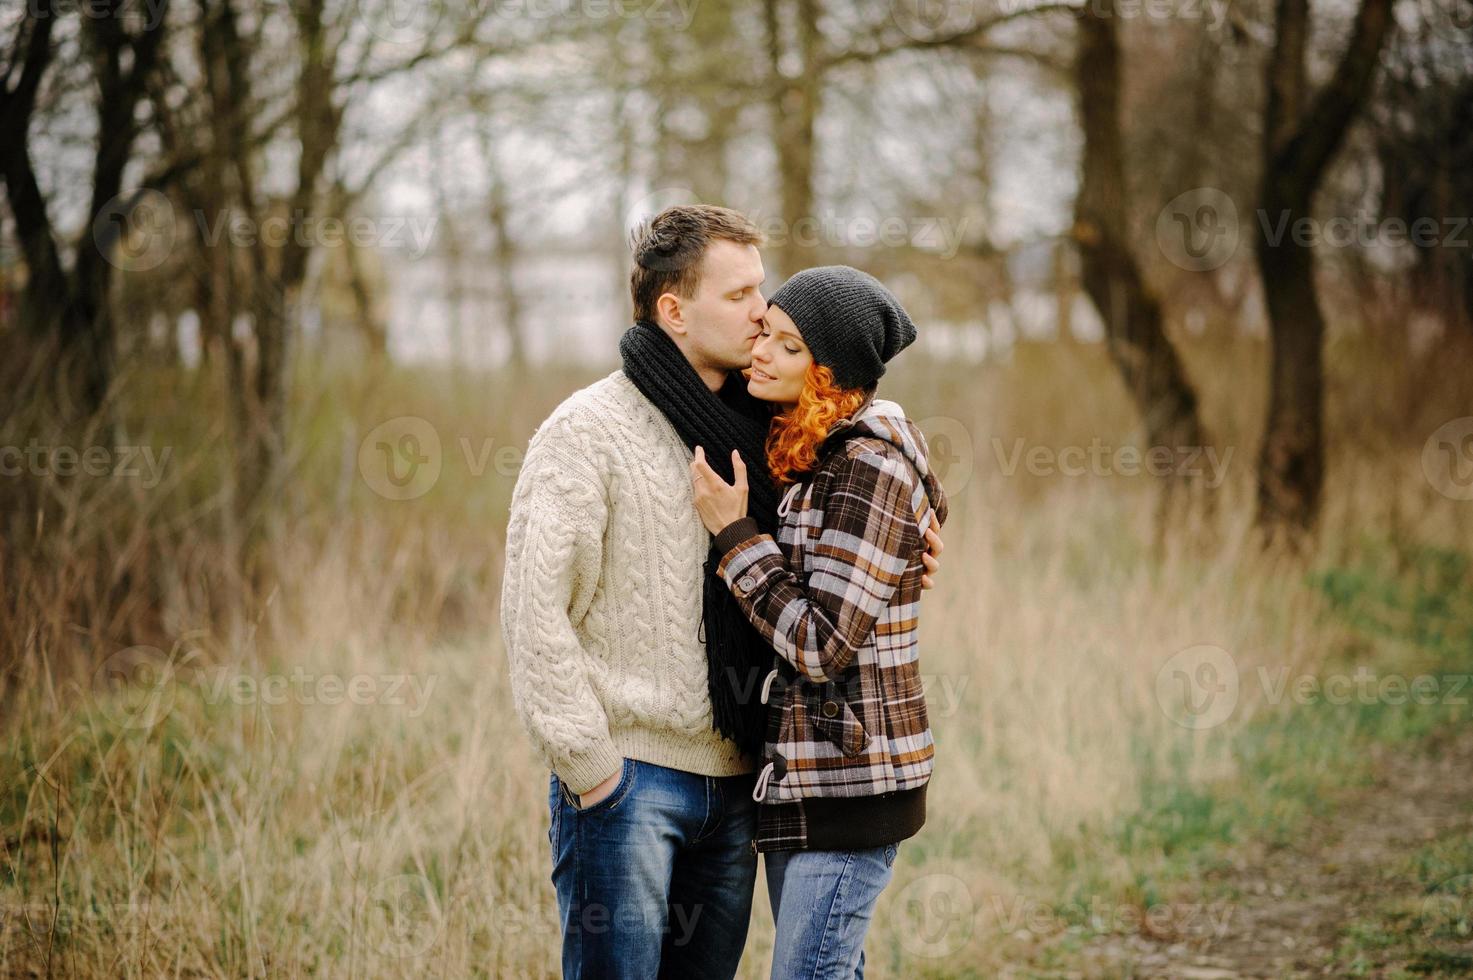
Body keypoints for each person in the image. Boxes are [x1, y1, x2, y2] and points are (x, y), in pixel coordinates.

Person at [500, 208, 944, 979]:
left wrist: (917, 542)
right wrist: (593, 772)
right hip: (631, 787)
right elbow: (534, 616)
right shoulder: (586, 432)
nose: (761, 312)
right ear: (673, 309)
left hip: (744, 782)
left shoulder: (775, 429)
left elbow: (853, 502)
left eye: (761, 291)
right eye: (739, 295)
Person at [689, 265, 948, 979]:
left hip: (852, 781)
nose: (760, 352)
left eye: (787, 346)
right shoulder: (806, 450)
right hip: (806, 776)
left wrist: (735, 535)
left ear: (828, 372)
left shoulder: (866, 466)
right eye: (764, 333)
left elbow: (820, 644)